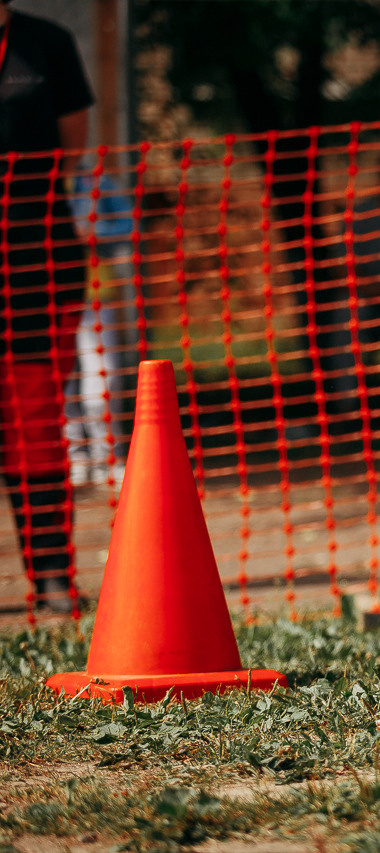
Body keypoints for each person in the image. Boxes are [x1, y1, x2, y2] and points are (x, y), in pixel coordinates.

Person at [0, 0, 93, 614]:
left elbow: (72, 153)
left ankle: (52, 573)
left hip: (36, 263)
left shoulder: (46, 43)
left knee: (34, 424)